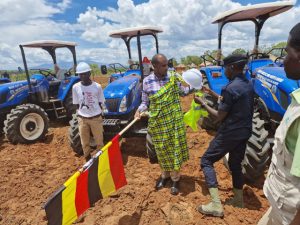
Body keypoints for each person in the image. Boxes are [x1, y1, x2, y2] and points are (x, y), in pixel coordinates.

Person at [194, 54, 253, 217]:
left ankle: (215, 204)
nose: (223, 71)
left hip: (230, 132)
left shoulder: (229, 87)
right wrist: (210, 92)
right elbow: (228, 101)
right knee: (235, 164)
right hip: (244, 132)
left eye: (225, 68)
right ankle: (238, 200)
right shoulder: (247, 84)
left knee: (206, 160)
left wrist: (203, 103)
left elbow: (219, 116)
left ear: (232, 68)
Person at [257, 23, 300, 225]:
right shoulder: (296, 99)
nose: (283, 60)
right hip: (280, 202)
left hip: (290, 214)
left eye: (286, 52)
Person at [135, 53, 190, 195]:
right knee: (162, 150)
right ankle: (165, 176)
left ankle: (175, 179)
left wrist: (193, 86)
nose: (167, 67)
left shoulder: (172, 77)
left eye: (167, 64)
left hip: (174, 121)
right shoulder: (147, 82)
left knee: (174, 149)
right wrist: (139, 111)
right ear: (154, 66)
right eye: (164, 65)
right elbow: (145, 102)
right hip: (158, 123)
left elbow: (183, 93)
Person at [72, 62, 105, 162]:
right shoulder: (75, 87)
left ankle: (101, 160)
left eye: (84, 74)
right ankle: (87, 159)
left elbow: (100, 102)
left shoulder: (97, 87)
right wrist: (82, 114)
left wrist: (96, 113)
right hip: (82, 119)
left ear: (89, 73)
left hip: (96, 118)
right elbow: (76, 104)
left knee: (99, 142)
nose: (82, 76)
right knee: (84, 142)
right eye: (80, 74)